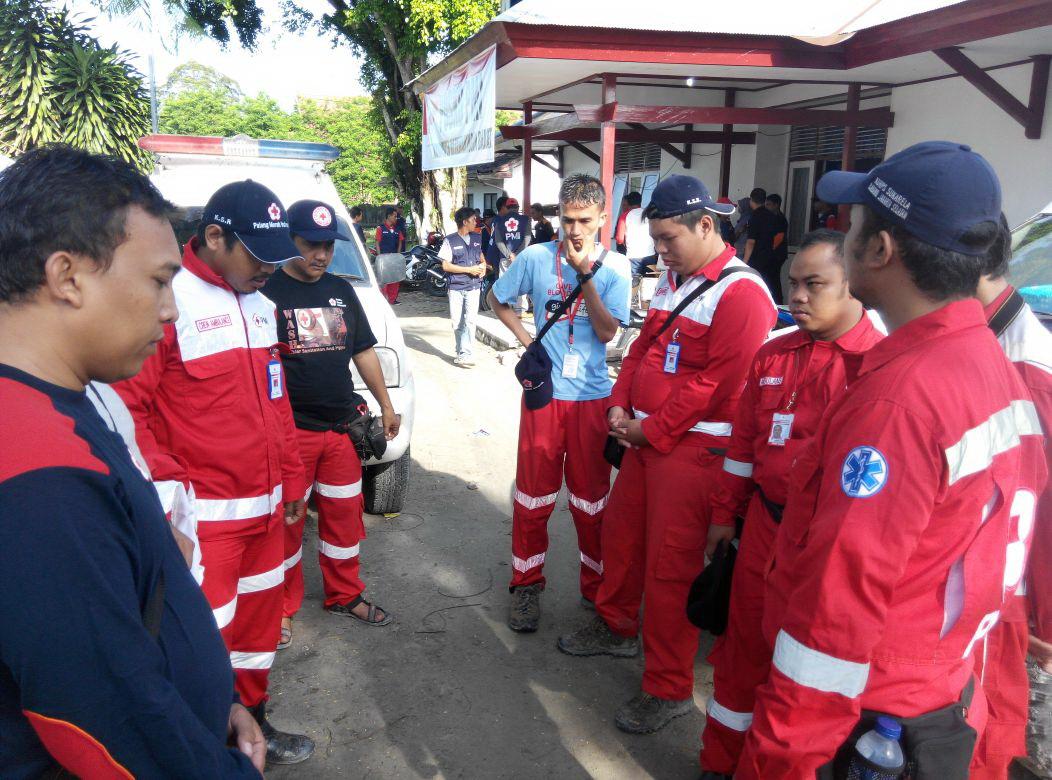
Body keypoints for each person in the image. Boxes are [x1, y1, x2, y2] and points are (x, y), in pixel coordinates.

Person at [737, 142, 1047, 777]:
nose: (846, 239)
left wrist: (778, 760)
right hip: (937, 697)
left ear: (879, 251)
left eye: (854, 227)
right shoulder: (992, 364)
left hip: (863, 720)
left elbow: (836, 616)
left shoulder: (900, 401)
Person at [0, 146, 265, 777]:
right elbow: (100, 721)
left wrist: (216, 700)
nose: (171, 307)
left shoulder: (69, 399)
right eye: (158, 280)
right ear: (68, 277)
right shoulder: (35, 470)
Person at [557, 174, 776, 735]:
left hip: (694, 451)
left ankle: (669, 686)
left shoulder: (743, 294)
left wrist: (649, 430)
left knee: (670, 570)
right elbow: (640, 349)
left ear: (707, 226)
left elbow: (720, 384)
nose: (661, 250)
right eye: (655, 239)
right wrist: (620, 406)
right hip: (646, 442)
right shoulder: (673, 282)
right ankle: (616, 627)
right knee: (622, 540)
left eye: (668, 238)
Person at [115, 179, 316, 766]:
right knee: (202, 644)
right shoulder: (167, 304)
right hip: (206, 527)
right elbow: (131, 415)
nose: (269, 269)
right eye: (257, 255)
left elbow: (278, 405)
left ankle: (255, 728)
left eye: (278, 255)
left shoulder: (262, 306)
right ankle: (203, 748)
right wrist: (175, 499)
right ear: (212, 237)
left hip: (268, 513)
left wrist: (293, 482)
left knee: (256, 636)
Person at [697, 229, 884, 777]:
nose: (797, 296)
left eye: (814, 284)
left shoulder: (876, 367)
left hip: (825, 551)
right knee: (740, 656)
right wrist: (723, 517)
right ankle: (718, 761)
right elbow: (743, 446)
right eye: (792, 284)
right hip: (761, 529)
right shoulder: (773, 354)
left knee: (805, 677)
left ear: (853, 284)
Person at [487, 174, 630, 633]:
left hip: (592, 399)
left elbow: (609, 332)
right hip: (545, 397)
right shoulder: (533, 257)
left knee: (592, 504)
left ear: (603, 219)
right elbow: (497, 297)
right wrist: (530, 342)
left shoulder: (616, 268)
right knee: (532, 498)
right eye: (567, 220)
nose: (574, 230)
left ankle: (595, 586)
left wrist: (585, 273)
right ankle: (526, 585)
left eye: (585, 221)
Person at [264, 199, 401, 649]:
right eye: (310, 244)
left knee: (344, 520)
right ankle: (280, 610)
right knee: (287, 523)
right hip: (292, 435)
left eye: (327, 245)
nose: (320, 254)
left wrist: (385, 405)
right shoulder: (267, 293)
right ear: (290, 239)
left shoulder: (342, 291)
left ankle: (345, 594)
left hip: (342, 430)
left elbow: (363, 351)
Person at [969, 215, 1052, 779]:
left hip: (1008, 603)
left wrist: (1043, 618)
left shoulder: (1027, 363)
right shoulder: (983, 339)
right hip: (978, 592)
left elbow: (1041, 506)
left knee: (989, 743)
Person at [439, 206, 488, 366]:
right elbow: (446, 266)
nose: (476, 222)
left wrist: (483, 265)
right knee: (458, 322)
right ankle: (461, 350)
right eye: (474, 219)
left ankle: (465, 354)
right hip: (456, 288)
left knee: (470, 321)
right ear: (465, 221)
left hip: (474, 286)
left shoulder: (477, 237)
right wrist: (469, 270)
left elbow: (480, 255)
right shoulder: (450, 240)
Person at [489, 196, 532, 314]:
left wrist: (509, 255)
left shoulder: (499, 221)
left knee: (505, 283)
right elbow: (527, 238)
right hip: (521, 257)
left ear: (507, 208)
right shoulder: (526, 219)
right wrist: (518, 254)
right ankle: (520, 311)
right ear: (517, 208)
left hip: (505, 258)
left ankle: (505, 310)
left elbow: (498, 241)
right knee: (521, 282)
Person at [743, 187, 782, 304]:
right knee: (772, 285)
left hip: (757, 257)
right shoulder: (772, 216)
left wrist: (744, 261)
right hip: (771, 255)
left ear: (751, 200)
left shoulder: (755, 217)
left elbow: (751, 241)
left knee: (756, 285)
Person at [375, 206, 404, 305]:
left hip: (394, 258)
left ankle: (392, 299)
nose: (396, 218)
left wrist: (398, 254)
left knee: (395, 279)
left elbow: (400, 241)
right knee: (384, 280)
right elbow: (377, 242)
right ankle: (383, 300)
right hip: (384, 258)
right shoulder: (380, 228)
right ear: (389, 216)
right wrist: (379, 257)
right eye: (394, 216)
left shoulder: (397, 229)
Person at [624, 193, 658, 276]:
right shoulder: (649, 213)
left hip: (633, 256)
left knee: (634, 283)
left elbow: (619, 238)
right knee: (649, 282)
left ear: (627, 203)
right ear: (640, 201)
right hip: (650, 254)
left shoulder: (625, 215)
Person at [765, 193, 790, 302]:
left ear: (776, 205)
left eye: (769, 204)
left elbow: (779, 238)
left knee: (773, 279)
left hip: (777, 254)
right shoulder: (772, 218)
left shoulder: (780, 219)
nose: (767, 207)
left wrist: (769, 250)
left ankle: (777, 301)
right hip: (775, 253)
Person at [615, 191, 642, 255]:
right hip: (649, 254)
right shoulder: (648, 214)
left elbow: (620, 239)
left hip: (630, 254)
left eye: (625, 205)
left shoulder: (624, 216)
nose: (623, 207)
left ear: (629, 204)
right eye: (623, 205)